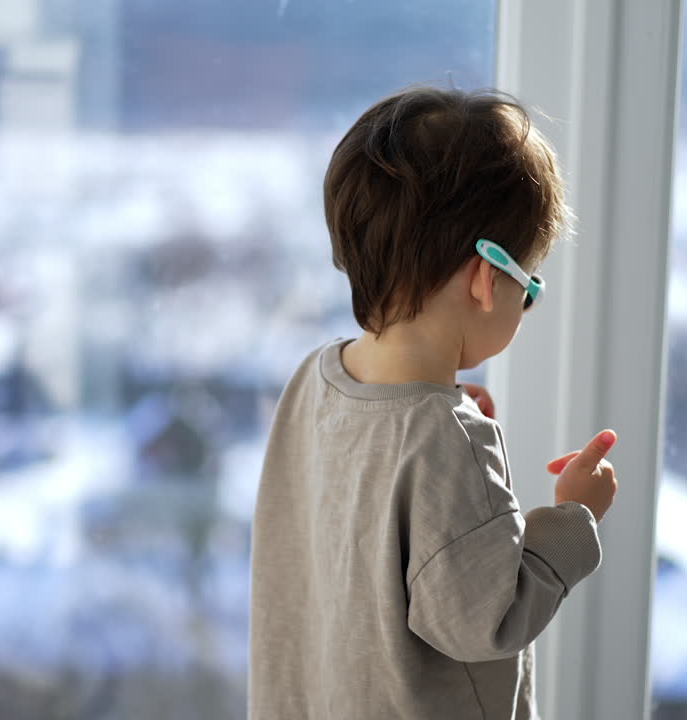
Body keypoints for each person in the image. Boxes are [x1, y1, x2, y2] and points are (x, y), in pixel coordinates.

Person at [248, 86, 619, 719]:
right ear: (485, 280)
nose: (526, 305)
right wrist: (574, 518)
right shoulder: (446, 439)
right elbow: (485, 621)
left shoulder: (314, 380)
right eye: (529, 288)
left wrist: (445, 430)